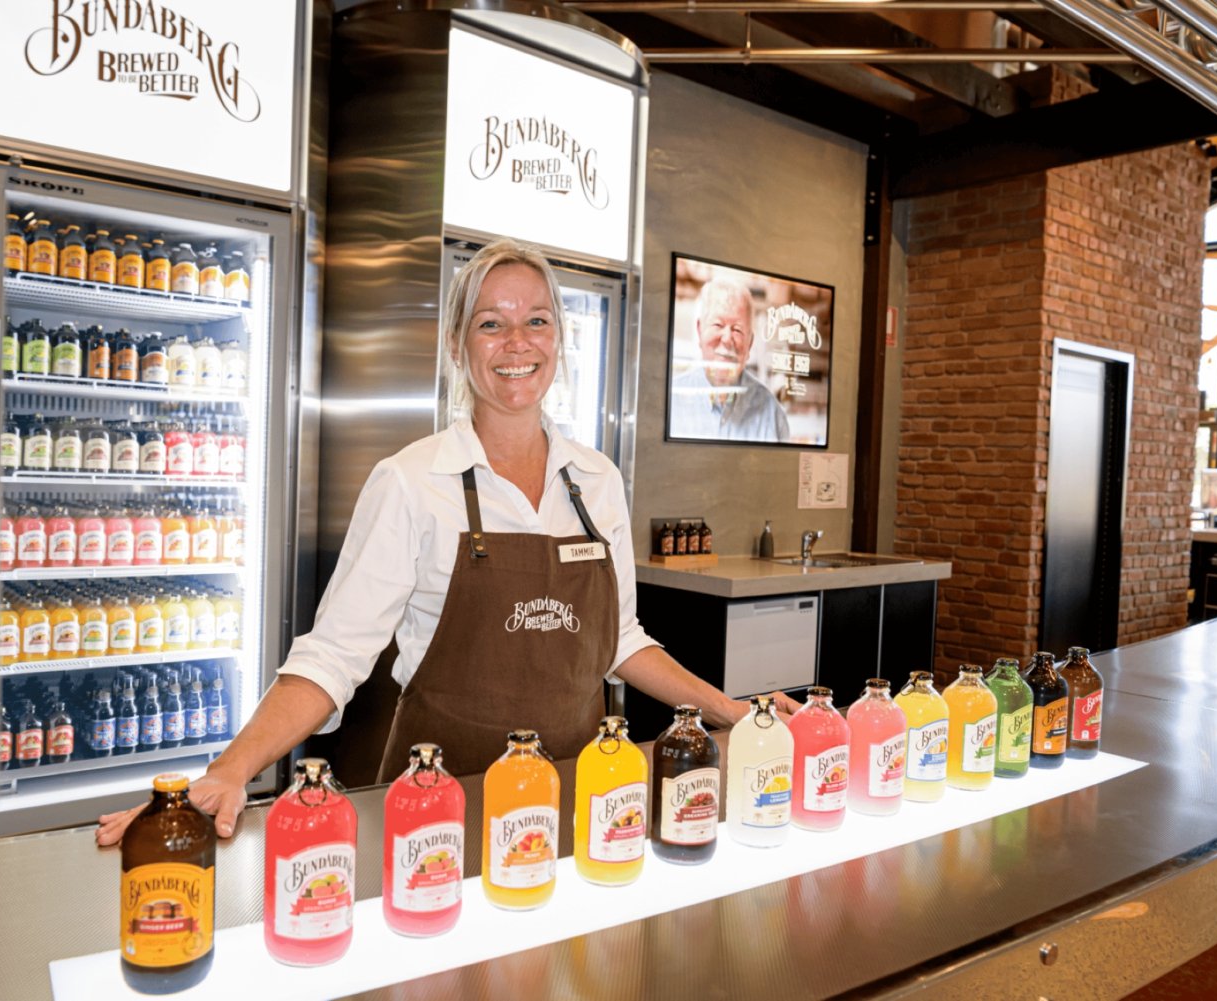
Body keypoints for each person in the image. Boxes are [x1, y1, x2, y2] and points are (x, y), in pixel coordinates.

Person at [96, 241, 798, 845]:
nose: (517, 342)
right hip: (435, 807)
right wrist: (228, 770)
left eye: (536, 321)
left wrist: (732, 709)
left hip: (576, 798)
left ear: (559, 339)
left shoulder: (597, 481)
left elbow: (619, 638)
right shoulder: (410, 482)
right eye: (492, 324)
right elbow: (333, 654)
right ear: (459, 346)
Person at [669, 277, 791, 442]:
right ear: (699, 331)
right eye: (718, 325)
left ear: (750, 343)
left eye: (737, 330)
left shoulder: (773, 414)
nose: (727, 339)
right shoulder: (670, 403)